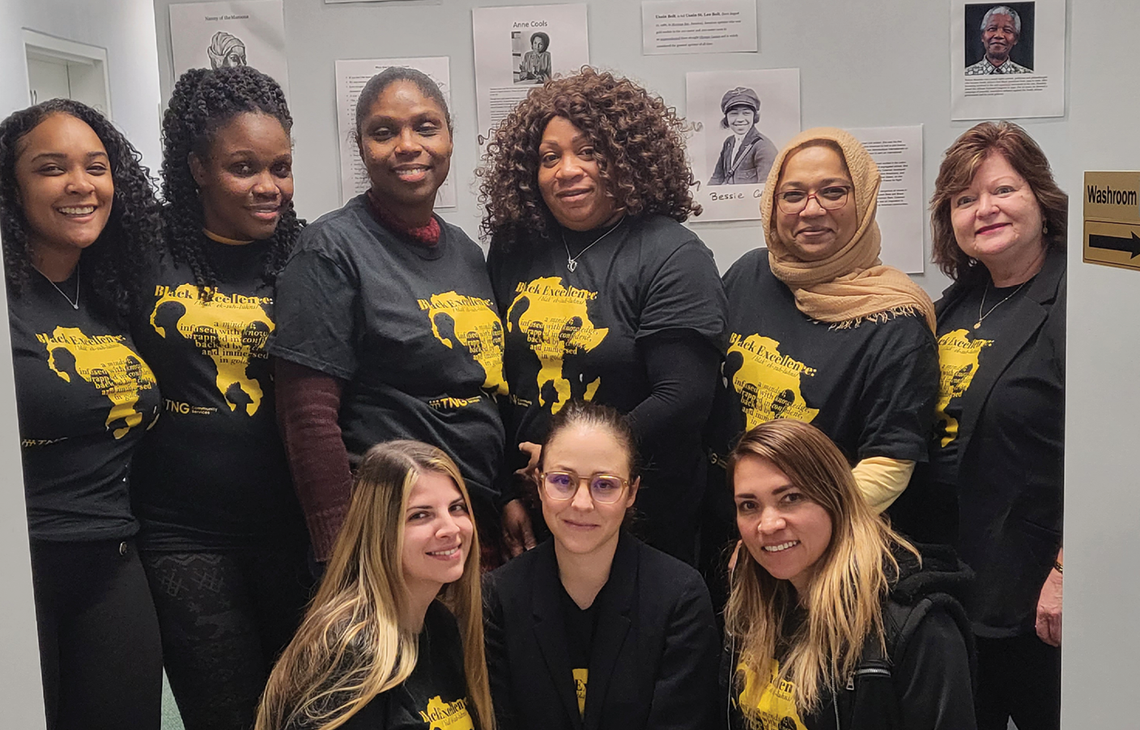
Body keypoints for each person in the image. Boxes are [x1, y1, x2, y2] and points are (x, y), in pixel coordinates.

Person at [479, 67, 727, 564]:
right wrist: (509, 490)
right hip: (537, 508)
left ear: (627, 158)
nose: (567, 170)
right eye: (550, 157)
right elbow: (498, 381)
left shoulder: (672, 253)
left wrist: (564, 464)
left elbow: (683, 397)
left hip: (642, 516)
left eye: (589, 151)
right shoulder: (513, 249)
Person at [129, 66, 311, 730]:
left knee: (305, 714)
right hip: (182, 535)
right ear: (199, 168)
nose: (269, 187)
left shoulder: (310, 253)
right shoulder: (142, 246)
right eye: (243, 167)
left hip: (295, 531)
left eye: (281, 167)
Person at [269, 67, 509, 566]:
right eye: (384, 132)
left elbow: (483, 390)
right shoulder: (331, 250)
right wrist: (346, 560)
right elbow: (307, 419)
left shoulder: (465, 252)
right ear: (361, 148)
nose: (407, 144)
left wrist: (505, 495)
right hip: (389, 534)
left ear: (449, 138)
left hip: (471, 520)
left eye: (426, 127)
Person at [706, 127, 938, 583]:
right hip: (719, 530)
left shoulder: (897, 320)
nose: (811, 210)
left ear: (865, 199)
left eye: (833, 192)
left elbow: (888, 466)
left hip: (813, 559)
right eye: (793, 195)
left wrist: (780, 532)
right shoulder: (750, 274)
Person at [0, 98, 163, 729]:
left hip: (111, 563)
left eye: (96, 167)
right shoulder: (7, 302)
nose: (80, 186)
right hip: (22, 572)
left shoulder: (108, 293)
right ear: (12, 188)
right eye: (50, 169)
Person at [918, 120, 1064, 730]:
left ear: (1040, 197)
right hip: (954, 584)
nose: (985, 210)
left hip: (1036, 594)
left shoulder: (1084, 301)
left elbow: (1121, 454)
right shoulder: (952, 305)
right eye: (964, 199)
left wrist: (1068, 569)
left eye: (1003, 190)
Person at [725, 419, 976, 730]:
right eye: (749, 505)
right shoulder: (750, 599)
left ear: (836, 497)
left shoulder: (915, 624)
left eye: (790, 498)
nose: (768, 524)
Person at [484, 401, 719, 730]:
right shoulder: (498, 597)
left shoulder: (681, 598)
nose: (581, 503)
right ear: (539, 482)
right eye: (563, 481)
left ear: (632, 491)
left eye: (604, 484)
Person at [255, 440, 495, 730]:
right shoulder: (352, 652)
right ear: (380, 531)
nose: (451, 528)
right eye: (421, 515)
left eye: (457, 508)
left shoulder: (440, 624)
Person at [708, 86, 778, 186]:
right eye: (734, 114)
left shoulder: (763, 146)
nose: (740, 119)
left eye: (746, 113)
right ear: (726, 118)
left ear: (754, 117)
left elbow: (767, 189)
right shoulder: (729, 142)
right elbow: (717, 178)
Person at [965, 6, 1032, 75]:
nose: (998, 35)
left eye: (1007, 30)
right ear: (982, 36)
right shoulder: (965, 75)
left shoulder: (1028, 76)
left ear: (1015, 39)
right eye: (992, 29)